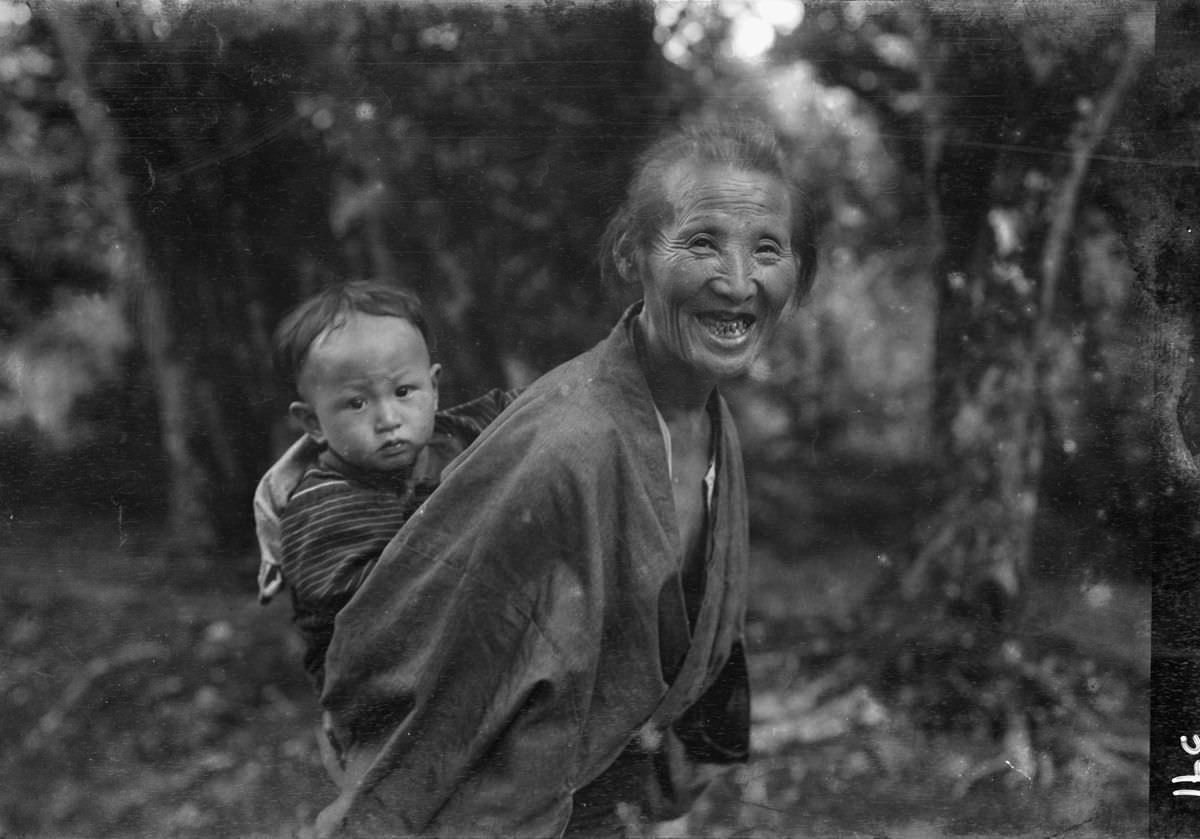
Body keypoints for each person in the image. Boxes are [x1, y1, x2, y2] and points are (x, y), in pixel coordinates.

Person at [315, 119, 818, 838]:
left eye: (767, 249)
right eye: (702, 241)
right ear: (630, 255)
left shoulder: (707, 421)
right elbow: (437, 669)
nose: (738, 282)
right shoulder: (568, 441)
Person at [253, 281, 515, 698]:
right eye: (357, 403)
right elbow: (368, 613)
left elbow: (534, 411)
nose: (388, 418)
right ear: (313, 423)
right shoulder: (323, 505)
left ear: (433, 389)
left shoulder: (454, 434)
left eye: (404, 392)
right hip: (382, 692)